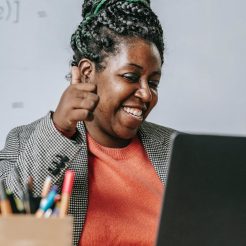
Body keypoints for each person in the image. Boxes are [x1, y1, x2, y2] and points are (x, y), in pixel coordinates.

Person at [0, 0, 176, 245]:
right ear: (86, 73)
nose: (146, 94)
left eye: (153, 83)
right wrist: (58, 130)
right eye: (131, 77)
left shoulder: (175, 149)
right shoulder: (27, 142)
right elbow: (7, 225)